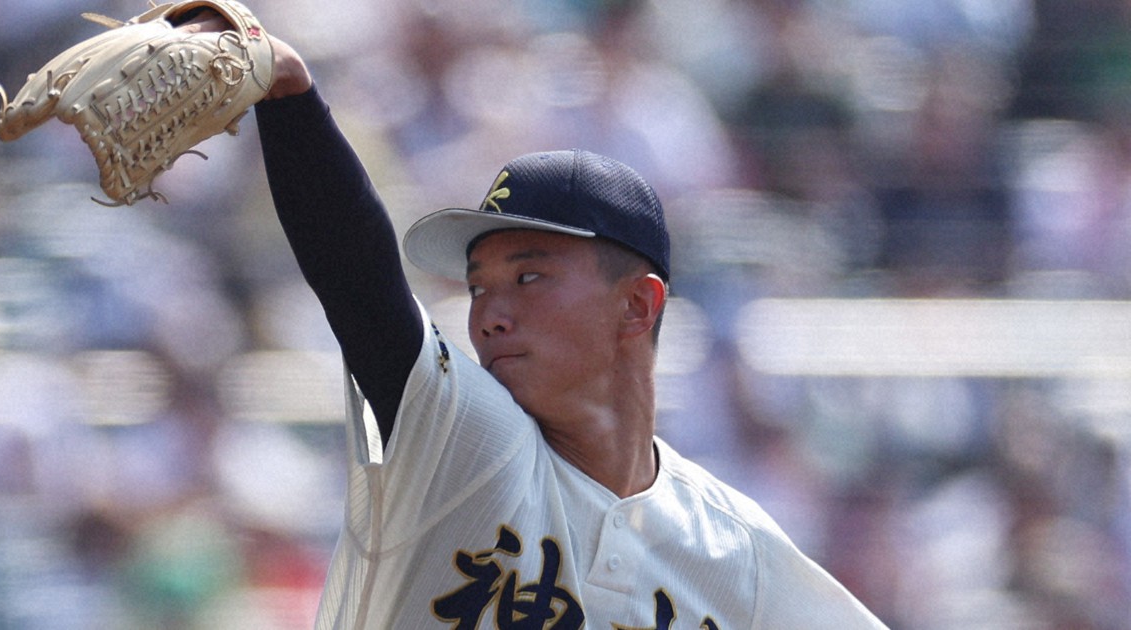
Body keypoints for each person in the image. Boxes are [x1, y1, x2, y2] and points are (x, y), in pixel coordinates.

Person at [217, 14, 888, 630]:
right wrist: (291, 100)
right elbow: (361, 287)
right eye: (478, 286)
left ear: (636, 306)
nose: (488, 316)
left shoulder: (736, 554)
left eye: (528, 277)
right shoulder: (463, 439)